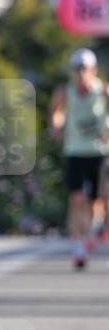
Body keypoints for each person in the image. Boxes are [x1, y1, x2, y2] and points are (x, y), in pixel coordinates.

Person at [49, 48, 109, 268]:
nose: (80, 73)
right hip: (75, 151)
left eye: (84, 68)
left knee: (96, 202)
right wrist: (56, 125)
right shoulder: (65, 91)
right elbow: (56, 112)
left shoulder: (102, 90)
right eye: (76, 69)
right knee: (76, 199)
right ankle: (78, 247)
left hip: (99, 152)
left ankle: (93, 231)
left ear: (93, 70)